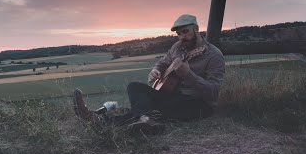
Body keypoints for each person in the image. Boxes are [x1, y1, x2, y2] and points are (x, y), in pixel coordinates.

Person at [73, 14, 226, 135]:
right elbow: (163, 62)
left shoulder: (213, 55)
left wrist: (189, 75)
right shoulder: (177, 47)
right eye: (179, 34)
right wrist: (156, 70)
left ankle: (97, 119)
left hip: (199, 104)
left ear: (197, 29)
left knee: (151, 107)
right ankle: (145, 120)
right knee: (134, 87)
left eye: (185, 31)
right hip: (172, 94)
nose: (182, 37)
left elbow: (213, 91)